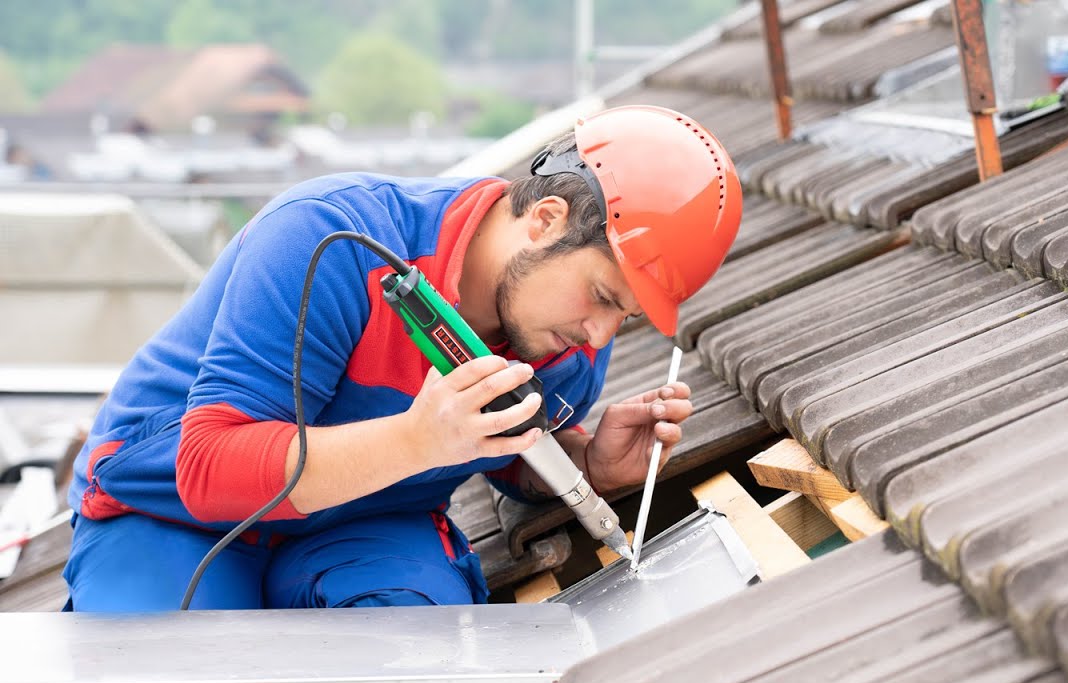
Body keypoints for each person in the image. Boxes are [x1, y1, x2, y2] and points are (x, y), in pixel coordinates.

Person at [63, 105, 743, 611]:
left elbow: (505, 456)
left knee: (427, 665)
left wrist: (581, 464)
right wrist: (417, 440)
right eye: (601, 295)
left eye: (623, 315)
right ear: (546, 220)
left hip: (369, 520)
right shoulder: (330, 237)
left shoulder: (564, 349)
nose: (599, 338)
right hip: (168, 513)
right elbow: (209, 468)